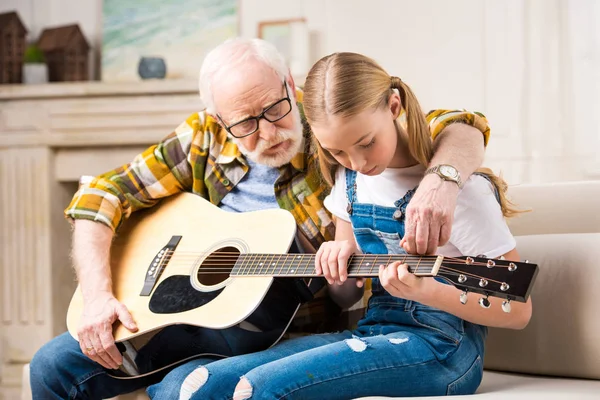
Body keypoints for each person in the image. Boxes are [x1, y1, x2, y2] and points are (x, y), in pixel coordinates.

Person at [29, 39, 492, 399]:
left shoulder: (331, 132)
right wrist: (96, 297)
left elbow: (457, 123)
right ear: (218, 119)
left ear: (291, 84)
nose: (268, 132)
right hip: (172, 312)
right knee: (51, 366)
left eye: (275, 109)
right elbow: (101, 194)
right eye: (245, 123)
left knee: (189, 385)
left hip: (279, 331)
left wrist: (441, 180)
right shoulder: (202, 138)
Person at [159, 52, 533, 400]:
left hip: (443, 348)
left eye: (366, 143)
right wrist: (337, 266)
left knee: (259, 388)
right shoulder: (348, 183)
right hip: (374, 330)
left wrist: (428, 291)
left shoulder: (459, 191)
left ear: (394, 105)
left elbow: (518, 311)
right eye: (337, 152)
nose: (356, 162)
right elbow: (347, 298)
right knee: (187, 384)